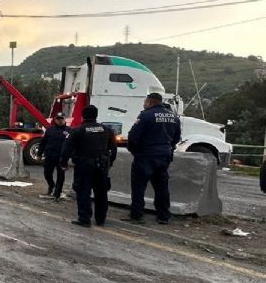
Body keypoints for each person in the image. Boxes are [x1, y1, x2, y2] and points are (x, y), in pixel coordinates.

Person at [124, 92, 181, 225]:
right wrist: (168, 148)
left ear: (150, 102)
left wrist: (134, 151)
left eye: (145, 102)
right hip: (164, 156)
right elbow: (176, 137)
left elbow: (133, 136)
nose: (144, 104)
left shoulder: (145, 115)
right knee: (162, 187)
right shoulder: (173, 117)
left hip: (145, 156)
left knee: (139, 187)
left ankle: (136, 215)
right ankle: (163, 216)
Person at [61, 105, 117, 227]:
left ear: (82, 116)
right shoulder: (107, 130)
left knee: (83, 191)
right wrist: (109, 163)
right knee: (101, 193)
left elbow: (67, 148)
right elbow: (113, 148)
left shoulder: (77, 130)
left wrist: (63, 163)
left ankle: (84, 218)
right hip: (101, 165)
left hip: (84, 165)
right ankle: (100, 219)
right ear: (96, 116)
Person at [37, 113, 71, 202]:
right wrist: (39, 154)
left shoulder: (69, 130)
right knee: (47, 174)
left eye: (61, 118)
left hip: (61, 158)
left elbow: (71, 145)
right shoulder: (50, 129)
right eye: (58, 118)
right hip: (49, 156)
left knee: (60, 176)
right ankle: (51, 185)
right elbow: (43, 142)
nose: (59, 120)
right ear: (55, 119)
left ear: (64, 119)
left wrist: (70, 157)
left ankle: (57, 194)